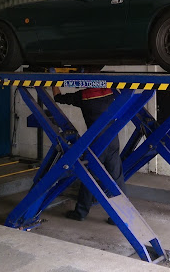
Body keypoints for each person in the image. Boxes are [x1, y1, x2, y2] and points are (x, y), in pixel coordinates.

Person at [52, 67, 125, 224]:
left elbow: (58, 98)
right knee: (117, 177)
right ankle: (121, 215)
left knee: (89, 177)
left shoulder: (83, 96)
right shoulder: (111, 91)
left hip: (97, 142)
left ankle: (81, 212)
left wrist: (53, 81)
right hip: (113, 139)